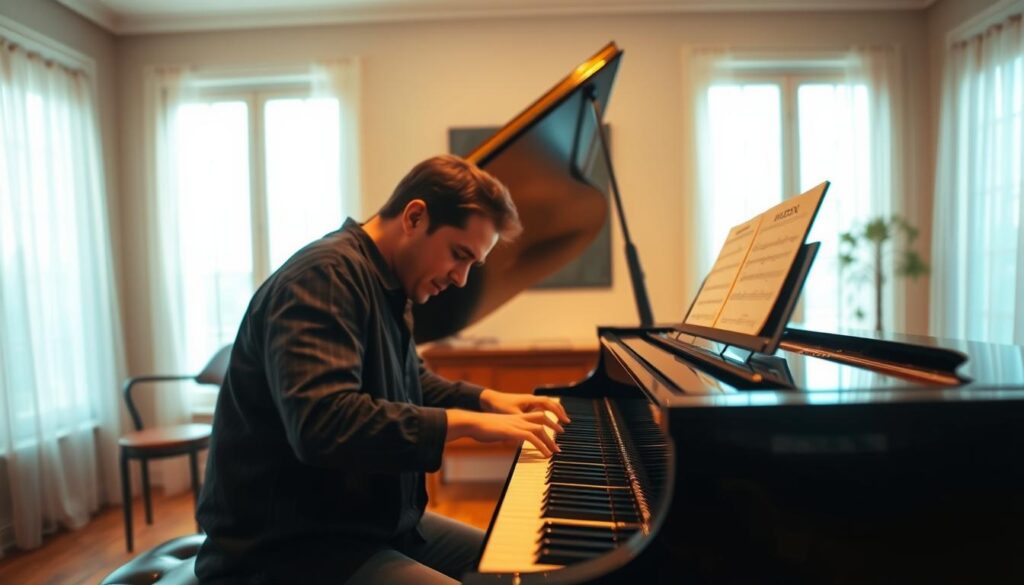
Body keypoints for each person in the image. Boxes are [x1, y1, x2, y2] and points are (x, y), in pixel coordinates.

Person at [195, 154, 570, 585]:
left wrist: (487, 401)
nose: (462, 279)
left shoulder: (388, 283)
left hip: (366, 527)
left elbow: (410, 381)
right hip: (287, 548)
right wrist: (469, 424)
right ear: (415, 216)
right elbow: (323, 423)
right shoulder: (324, 277)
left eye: (472, 264)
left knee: (521, 572)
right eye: (458, 255)